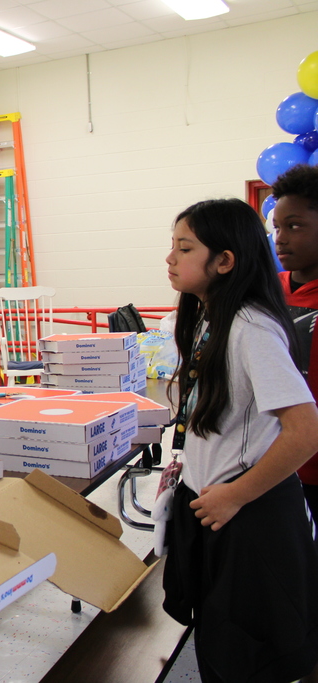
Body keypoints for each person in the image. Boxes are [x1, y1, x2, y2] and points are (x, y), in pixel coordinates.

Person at [161, 198, 318, 683]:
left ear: (225, 261)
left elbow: (305, 430)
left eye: (184, 248)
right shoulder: (209, 316)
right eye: (172, 246)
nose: (170, 259)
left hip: (249, 516)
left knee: (250, 654)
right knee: (219, 643)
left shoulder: (251, 327)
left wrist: (234, 494)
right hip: (216, 507)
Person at [272, 164, 318, 521]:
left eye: (295, 226)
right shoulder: (268, 290)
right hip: (275, 464)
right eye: (277, 227)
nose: (281, 238)